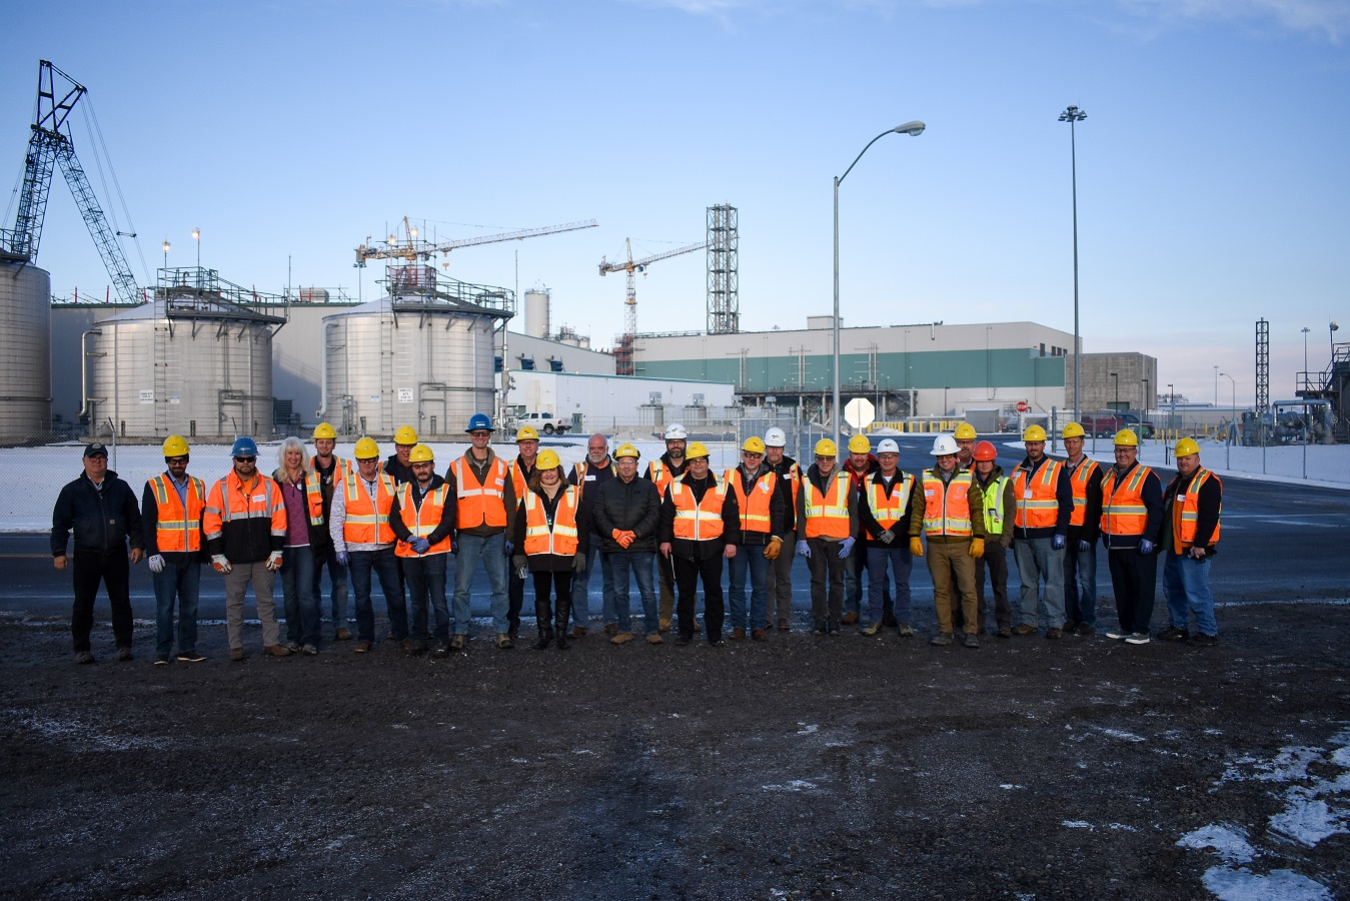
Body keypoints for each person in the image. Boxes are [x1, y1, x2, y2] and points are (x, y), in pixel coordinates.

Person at [52, 442, 144, 664]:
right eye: (92, 458)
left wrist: (137, 545)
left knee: (121, 603)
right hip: (86, 555)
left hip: (116, 554)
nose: (97, 461)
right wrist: (59, 552)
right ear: (84, 461)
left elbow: (134, 519)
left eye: (101, 457)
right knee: (83, 604)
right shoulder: (72, 491)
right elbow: (60, 524)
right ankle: (82, 649)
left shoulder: (121, 488)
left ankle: (124, 646)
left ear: (106, 460)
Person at [204, 436, 289, 661]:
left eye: (249, 458)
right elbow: (211, 524)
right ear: (234, 459)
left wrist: (277, 551)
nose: (245, 463)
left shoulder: (270, 486)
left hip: (264, 557)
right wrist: (217, 554)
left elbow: (279, 520)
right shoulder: (221, 488)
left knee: (267, 603)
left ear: (254, 459)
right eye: (241, 459)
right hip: (234, 559)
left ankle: (271, 643)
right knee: (234, 605)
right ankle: (236, 647)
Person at [329, 437, 409, 653]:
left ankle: (402, 636)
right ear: (357, 460)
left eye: (371, 459)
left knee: (395, 594)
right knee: (362, 597)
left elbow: (402, 514)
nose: (367, 464)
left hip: (386, 549)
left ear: (377, 460)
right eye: (363, 460)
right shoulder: (345, 485)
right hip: (358, 551)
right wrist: (340, 547)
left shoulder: (390, 482)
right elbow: (336, 518)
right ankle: (365, 638)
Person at [446, 413, 517, 650]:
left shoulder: (501, 466)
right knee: (462, 587)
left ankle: (501, 631)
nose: (480, 437)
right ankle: (460, 631)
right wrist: (451, 535)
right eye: (476, 434)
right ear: (470, 436)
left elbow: (509, 502)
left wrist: (509, 535)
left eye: (484, 434)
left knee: (500, 586)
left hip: (496, 535)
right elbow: (448, 505)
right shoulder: (455, 467)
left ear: (489, 436)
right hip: (467, 535)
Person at [909, 433, 986, 648]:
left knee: (968, 590)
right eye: (940, 456)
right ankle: (945, 631)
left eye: (948, 456)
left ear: (955, 456)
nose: (944, 460)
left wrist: (979, 537)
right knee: (941, 590)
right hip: (935, 545)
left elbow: (977, 511)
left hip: (962, 544)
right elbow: (918, 510)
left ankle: (971, 631)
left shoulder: (968, 477)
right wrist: (914, 535)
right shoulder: (926, 478)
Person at [659, 441, 740, 646]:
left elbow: (732, 518)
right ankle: (685, 634)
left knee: (714, 592)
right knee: (686, 593)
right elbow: (666, 516)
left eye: (701, 461)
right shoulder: (675, 485)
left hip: (711, 547)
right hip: (682, 547)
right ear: (688, 464)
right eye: (694, 461)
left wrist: (731, 543)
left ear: (707, 462)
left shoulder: (723, 486)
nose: (698, 465)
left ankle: (714, 634)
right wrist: (665, 541)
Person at [140, 436, 206, 665]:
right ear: (166, 461)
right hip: (166, 558)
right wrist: (152, 552)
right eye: (172, 461)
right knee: (165, 607)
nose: (177, 465)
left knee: (190, 606)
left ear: (187, 460)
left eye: (181, 460)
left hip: (191, 557)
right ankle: (162, 651)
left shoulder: (198, 485)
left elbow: (202, 520)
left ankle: (187, 649)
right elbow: (147, 523)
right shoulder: (154, 486)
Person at [511, 449, 587, 650]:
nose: (549, 474)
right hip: (539, 553)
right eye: (544, 471)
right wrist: (519, 553)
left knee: (563, 594)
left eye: (552, 470)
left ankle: (561, 634)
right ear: (539, 473)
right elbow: (520, 526)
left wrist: (581, 551)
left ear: (559, 470)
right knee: (541, 595)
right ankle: (544, 633)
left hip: (565, 553)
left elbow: (583, 525)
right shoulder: (529, 494)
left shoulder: (573, 492)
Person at [591, 443, 662, 644]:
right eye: (622, 462)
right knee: (620, 591)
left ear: (637, 464)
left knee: (647, 590)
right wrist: (615, 534)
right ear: (617, 465)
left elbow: (654, 514)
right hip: (616, 547)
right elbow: (599, 514)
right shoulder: (605, 488)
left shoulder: (648, 487)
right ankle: (624, 629)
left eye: (630, 462)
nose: (626, 466)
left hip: (642, 546)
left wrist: (633, 533)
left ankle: (652, 630)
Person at [390, 444, 455, 656]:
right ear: (412, 469)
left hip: (434, 552)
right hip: (410, 553)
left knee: (438, 600)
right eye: (417, 466)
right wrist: (408, 537)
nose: (421, 470)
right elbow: (395, 519)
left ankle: (442, 639)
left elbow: (448, 520)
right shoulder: (402, 490)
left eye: (425, 465)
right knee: (417, 600)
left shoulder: (445, 490)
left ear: (432, 465)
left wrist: (430, 540)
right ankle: (419, 638)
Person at [1100, 429, 1164, 645]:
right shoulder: (1109, 476)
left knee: (1141, 589)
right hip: (1116, 545)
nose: (1122, 455)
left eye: (1126, 450)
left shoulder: (1147, 477)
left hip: (1139, 546)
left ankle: (1141, 630)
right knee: (1122, 590)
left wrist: (1149, 537)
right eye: (1118, 450)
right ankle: (1126, 627)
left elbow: (1156, 510)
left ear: (1135, 451)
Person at [1010, 424, 1073, 639]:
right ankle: (1029, 620)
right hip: (1022, 537)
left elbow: (1066, 504)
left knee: (1053, 581)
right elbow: (1011, 503)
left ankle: (1056, 622)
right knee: (1027, 582)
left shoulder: (1056, 470)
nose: (1033, 447)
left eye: (1036, 443)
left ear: (1043, 444)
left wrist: (1061, 532)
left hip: (1048, 536)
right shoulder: (1018, 470)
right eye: (1029, 443)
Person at [1159, 438, 1222, 646]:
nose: (1183, 462)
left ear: (1197, 458)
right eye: (1180, 458)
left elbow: (1210, 516)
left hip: (1194, 550)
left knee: (1196, 592)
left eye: (1188, 458)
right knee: (1173, 589)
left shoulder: (1208, 482)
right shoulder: (1177, 482)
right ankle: (1179, 627)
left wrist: (1200, 544)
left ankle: (1208, 632)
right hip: (1176, 547)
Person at [724, 436, 787, 641]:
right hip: (737, 542)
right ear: (742, 455)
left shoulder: (770, 478)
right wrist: (726, 540)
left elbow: (778, 510)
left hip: (761, 542)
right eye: (748, 454)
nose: (751, 458)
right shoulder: (729, 476)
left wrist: (776, 538)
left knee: (760, 587)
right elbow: (720, 508)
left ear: (762, 458)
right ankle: (739, 627)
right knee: (737, 586)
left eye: (756, 455)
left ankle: (758, 626)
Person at [856, 438, 917, 638]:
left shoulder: (910, 480)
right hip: (875, 541)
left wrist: (895, 532)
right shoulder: (868, 480)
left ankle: (904, 622)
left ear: (897, 458)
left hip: (900, 541)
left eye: (891, 456)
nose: (887, 460)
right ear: (878, 458)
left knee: (902, 584)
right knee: (875, 583)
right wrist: (879, 532)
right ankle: (875, 620)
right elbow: (863, 510)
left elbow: (912, 511)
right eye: (883, 456)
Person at [796, 438, 856, 636]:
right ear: (815, 459)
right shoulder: (806, 480)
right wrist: (802, 539)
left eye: (828, 458)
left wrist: (852, 538)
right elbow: (801, 513)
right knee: (817, 582)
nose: (824, 462)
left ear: (834, 459)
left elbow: (854, 512)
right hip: (814, 540)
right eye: (821, 458)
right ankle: (820, 621)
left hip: (839, 541)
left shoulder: (846, 480)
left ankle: (835, 622)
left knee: (837, 582)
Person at [273, 437, 324, 655]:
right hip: (284, 545)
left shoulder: (313, 478)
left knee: (306, 593)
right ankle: (293, 637)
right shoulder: (275, 480)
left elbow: (324, 511)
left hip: (307, 545)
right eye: (289, 454)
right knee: (289, 594)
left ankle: (311, 638)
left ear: (303, 456)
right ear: (284, 457)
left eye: (297, 454)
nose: (293, 458)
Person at [569, 432, 617, 637]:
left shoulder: (617, 470)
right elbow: (568, 500)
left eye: (600, 448)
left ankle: (611, 621)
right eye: (592, 448)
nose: (596, 452)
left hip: (610, 535)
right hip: (585, 535)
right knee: (579, 580)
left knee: (611, 580)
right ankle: (580, 622)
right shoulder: (579, 471)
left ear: (606, 449)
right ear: (588, 449)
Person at [645, 423, 690, 632]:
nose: (676, 446)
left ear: (684, 443)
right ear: (667, 444)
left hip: (688, 530)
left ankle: (689, 615)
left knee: (688, 575)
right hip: (661, 529)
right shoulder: (654, 468)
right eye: (672, 442)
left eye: (679, 442)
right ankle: (665, 616)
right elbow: (645, 497)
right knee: (665, 575)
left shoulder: (695, 465)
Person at [309, 423, 352, 641]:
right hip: (315, 534)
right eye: (321, 442)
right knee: (312, 581)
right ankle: (314, 621)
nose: (324, 445)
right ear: (314, 443)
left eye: (328, 442)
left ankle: (341, 624)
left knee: (340, 583)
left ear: (334, 444)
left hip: (338, 534)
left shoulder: (346, 467)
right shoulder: (305, 467)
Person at [1060, 422, 1103, 636]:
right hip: (1065, 533)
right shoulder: (1059, 468)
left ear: (1082, 443)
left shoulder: (1093, 470)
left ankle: (1087, 619)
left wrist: (1089, 534)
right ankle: (1071, 617)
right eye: (1067, 441)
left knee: (1086, 580)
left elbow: (1095, 506)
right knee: (1066, 580)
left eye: (1075, 441)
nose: (1071, 445)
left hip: (1084, 534)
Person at [971, 440, 1015, 638]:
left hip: (996, 543)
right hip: (976, 542)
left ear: (993, 461)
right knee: (976, 586)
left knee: (1000, 585)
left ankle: (1003, 624)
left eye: (987, 460)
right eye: (980, 461)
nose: (984, 464)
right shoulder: (969, 482)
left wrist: (1004, 541)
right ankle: (978, 623)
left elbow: (1010, 514)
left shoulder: (1004, 483)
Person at [761, 427, 801, 632]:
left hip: (786, 532)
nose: (774, 451)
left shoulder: (793, 469)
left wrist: (800, 533)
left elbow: (801, 501)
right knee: (766, 579)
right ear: (766, 448)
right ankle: (766, 618)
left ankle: (783, 618)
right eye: (771, 448)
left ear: (783, 448)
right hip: (764, 533)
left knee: (783, 578)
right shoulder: (759, 468)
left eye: (777, 448)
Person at [841, 433, 882, 625]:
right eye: (855, 453)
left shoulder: (878, 473)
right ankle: (851, 610)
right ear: (849, 453)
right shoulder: (841, 474)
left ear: (868, 454)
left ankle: (885, 609)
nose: (859, 457)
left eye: (862, 453)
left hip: (874, 533)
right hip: (851, 534)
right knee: (851, 576)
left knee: (879, 575)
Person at [506, 425, 541, 639]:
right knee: (515, 582)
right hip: (517, 534)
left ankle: (543, 624)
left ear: (537, 445)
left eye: (531, 442)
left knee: (542, 582)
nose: (527, 446)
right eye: (523, 442)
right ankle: (512, 622)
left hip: (540, 534)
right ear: (518, 445)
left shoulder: (547, 466)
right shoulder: (508, 468)